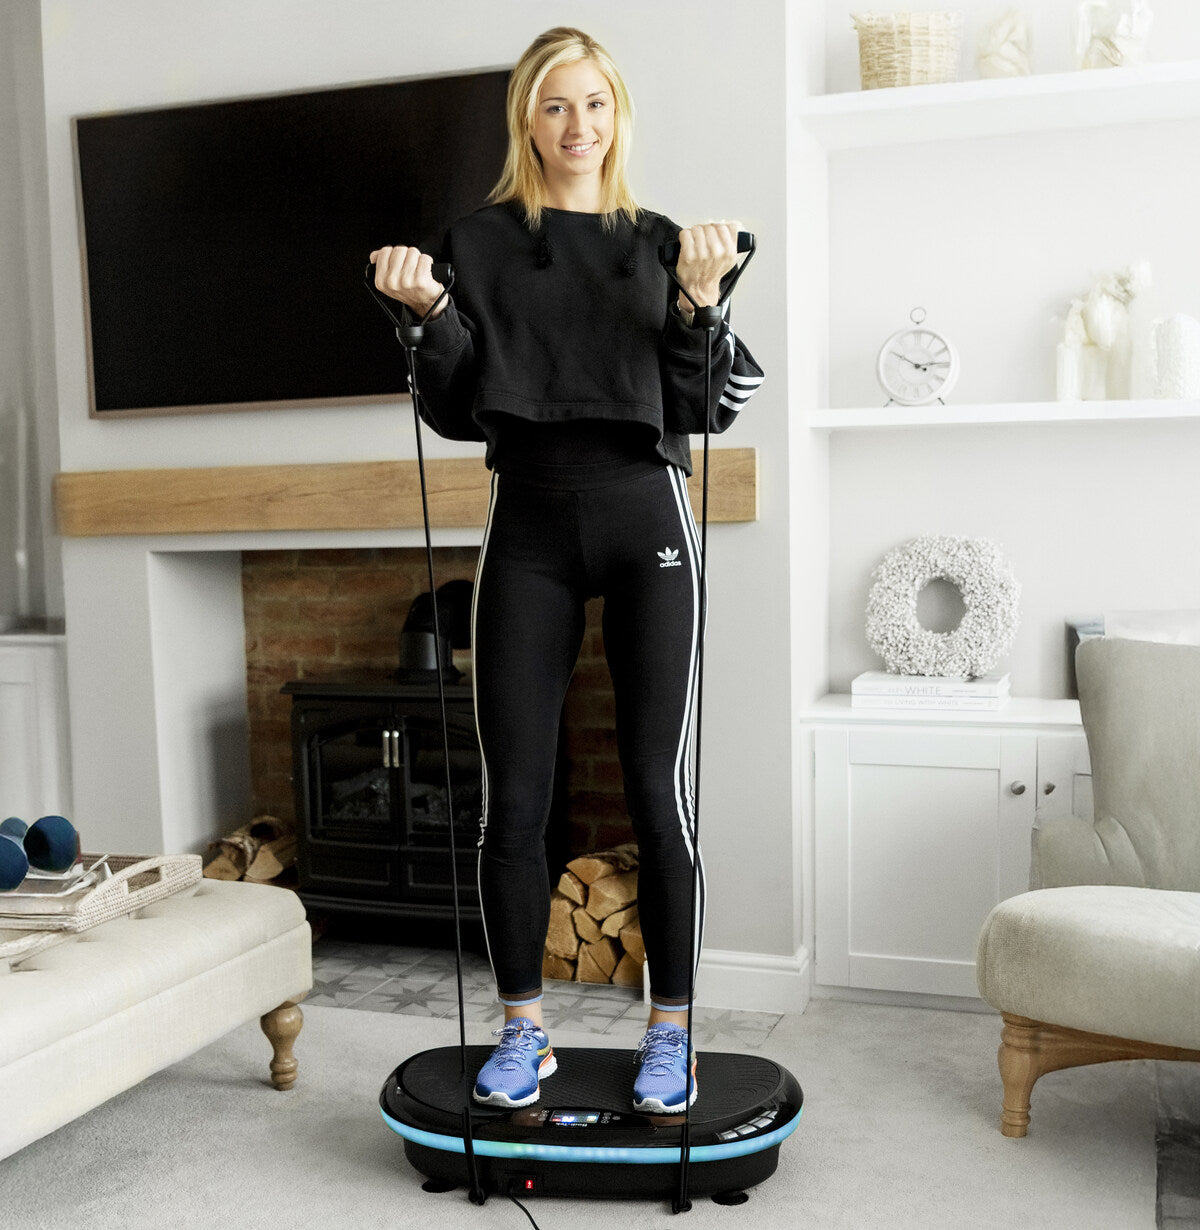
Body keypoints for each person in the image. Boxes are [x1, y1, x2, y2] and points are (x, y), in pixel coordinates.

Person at [370, 26, 763, 1115]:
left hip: (646, 518)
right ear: (526, 122)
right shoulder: (480, 243)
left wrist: (700, 302)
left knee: (654, 789)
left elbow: (697, 406)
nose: (576, 125)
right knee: (517, 801)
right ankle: (522, 1030)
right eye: (554, 105)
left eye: (593, 104)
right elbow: (454, 410)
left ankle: (671, 1036)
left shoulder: (663, 241)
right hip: (530, 524)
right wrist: (429, 313)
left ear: (616, 115)